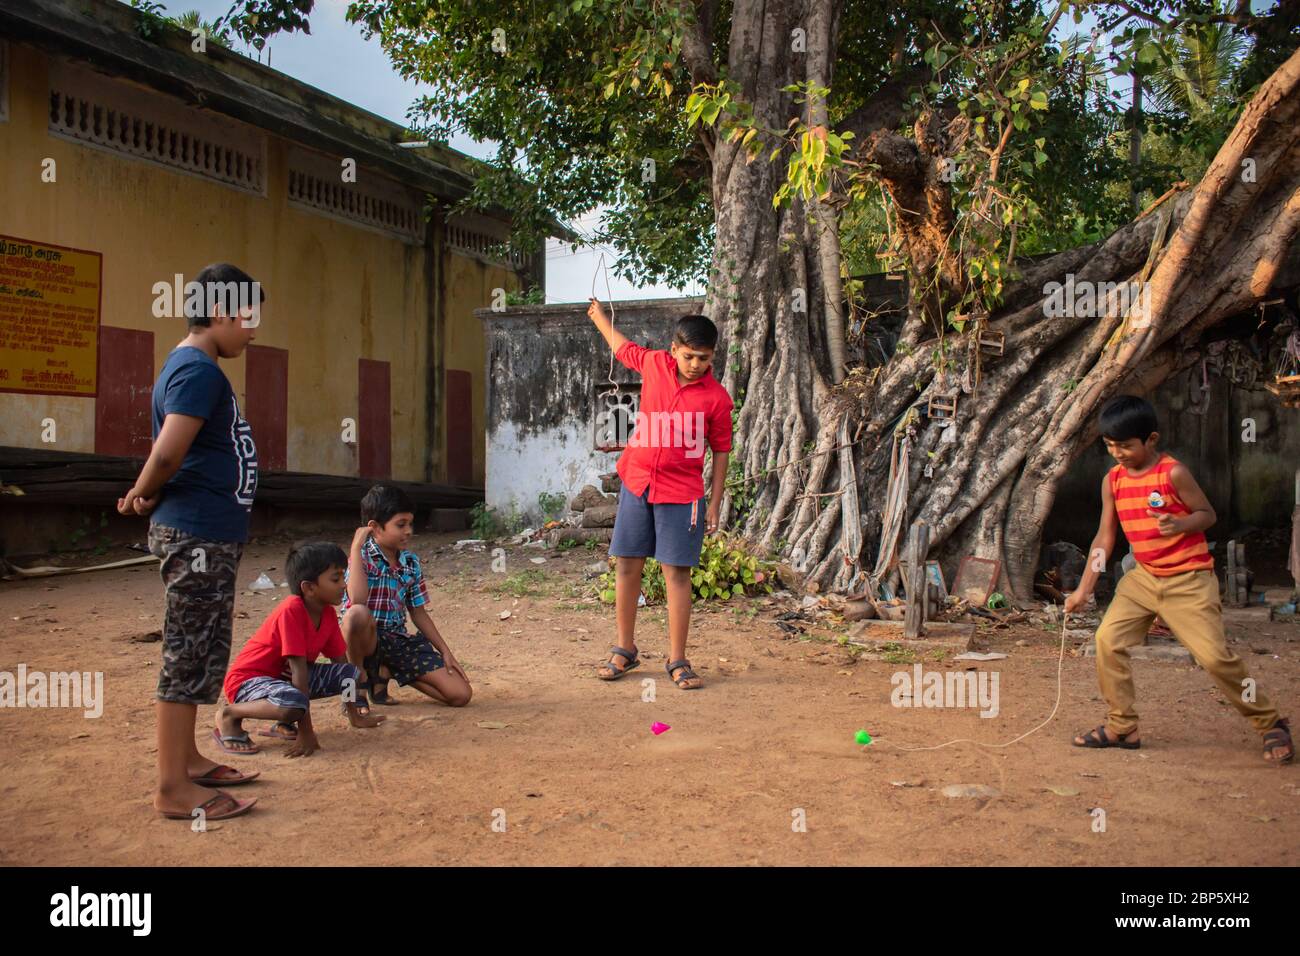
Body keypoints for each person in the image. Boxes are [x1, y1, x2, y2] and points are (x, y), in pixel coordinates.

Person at [1066, 394, 1292, 763]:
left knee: (1215, 659)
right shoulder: (1113, 480)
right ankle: (1122, 726)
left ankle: (1270, 723)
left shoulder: (1173, 473)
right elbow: (1105, 537)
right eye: (1110, 446)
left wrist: (1180, 524)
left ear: (1151, 440)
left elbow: (1207, 515)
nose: (1117, 453)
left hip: (1188, 579)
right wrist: (1083, 589)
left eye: (1125, 445)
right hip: (1142, 579)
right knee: (1107, 641)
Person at [117, 263, 265, 821]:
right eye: (248, 317)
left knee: (200, 650)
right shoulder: (199, 371)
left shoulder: (195, 368)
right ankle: (171, 787)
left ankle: (190, 761)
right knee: (186, 653)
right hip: (197, 533)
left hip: (209, 531)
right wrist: (140, 491)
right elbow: (168, 451)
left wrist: (146, 492)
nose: (253, 330)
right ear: (223, 312)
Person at [586, 299, 734, 690]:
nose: (695, 364)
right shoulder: (654, 365)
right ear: (673, 349)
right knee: (626, 565)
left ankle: (678, 659)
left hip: (683, 493)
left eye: (703, 358)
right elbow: (623, 347)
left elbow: (721, 451)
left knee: (676, 574)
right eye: (688, 356)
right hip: (637, 482)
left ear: (712, 356)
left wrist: (714, 503)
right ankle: (624, 649)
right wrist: (600, 317)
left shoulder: (717, 399)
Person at [219, 542, 385, 758]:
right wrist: (306, 732)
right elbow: (299, 673)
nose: (344, 585)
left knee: (350, 672)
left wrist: (354, 715)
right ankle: (229, 714)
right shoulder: (292, 609)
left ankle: (283, 722)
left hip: (282, 683)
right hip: (248, 682)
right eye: (335, 579)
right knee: (294, 700)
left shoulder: (326, 614)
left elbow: (341, 665)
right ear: (309, 588)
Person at [340, 485, 472, 709]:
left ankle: (386, 670)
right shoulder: (361, 555)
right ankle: (359, 677)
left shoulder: (410, 562)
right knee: (356, 614)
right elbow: (357, 599)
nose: (408, 531)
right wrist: (354, 548)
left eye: (410, 523)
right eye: (400, 525)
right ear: (374, 527)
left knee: (460, 695)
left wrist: (446, 652)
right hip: (362, 640)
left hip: (396, 640)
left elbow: (418, 613)